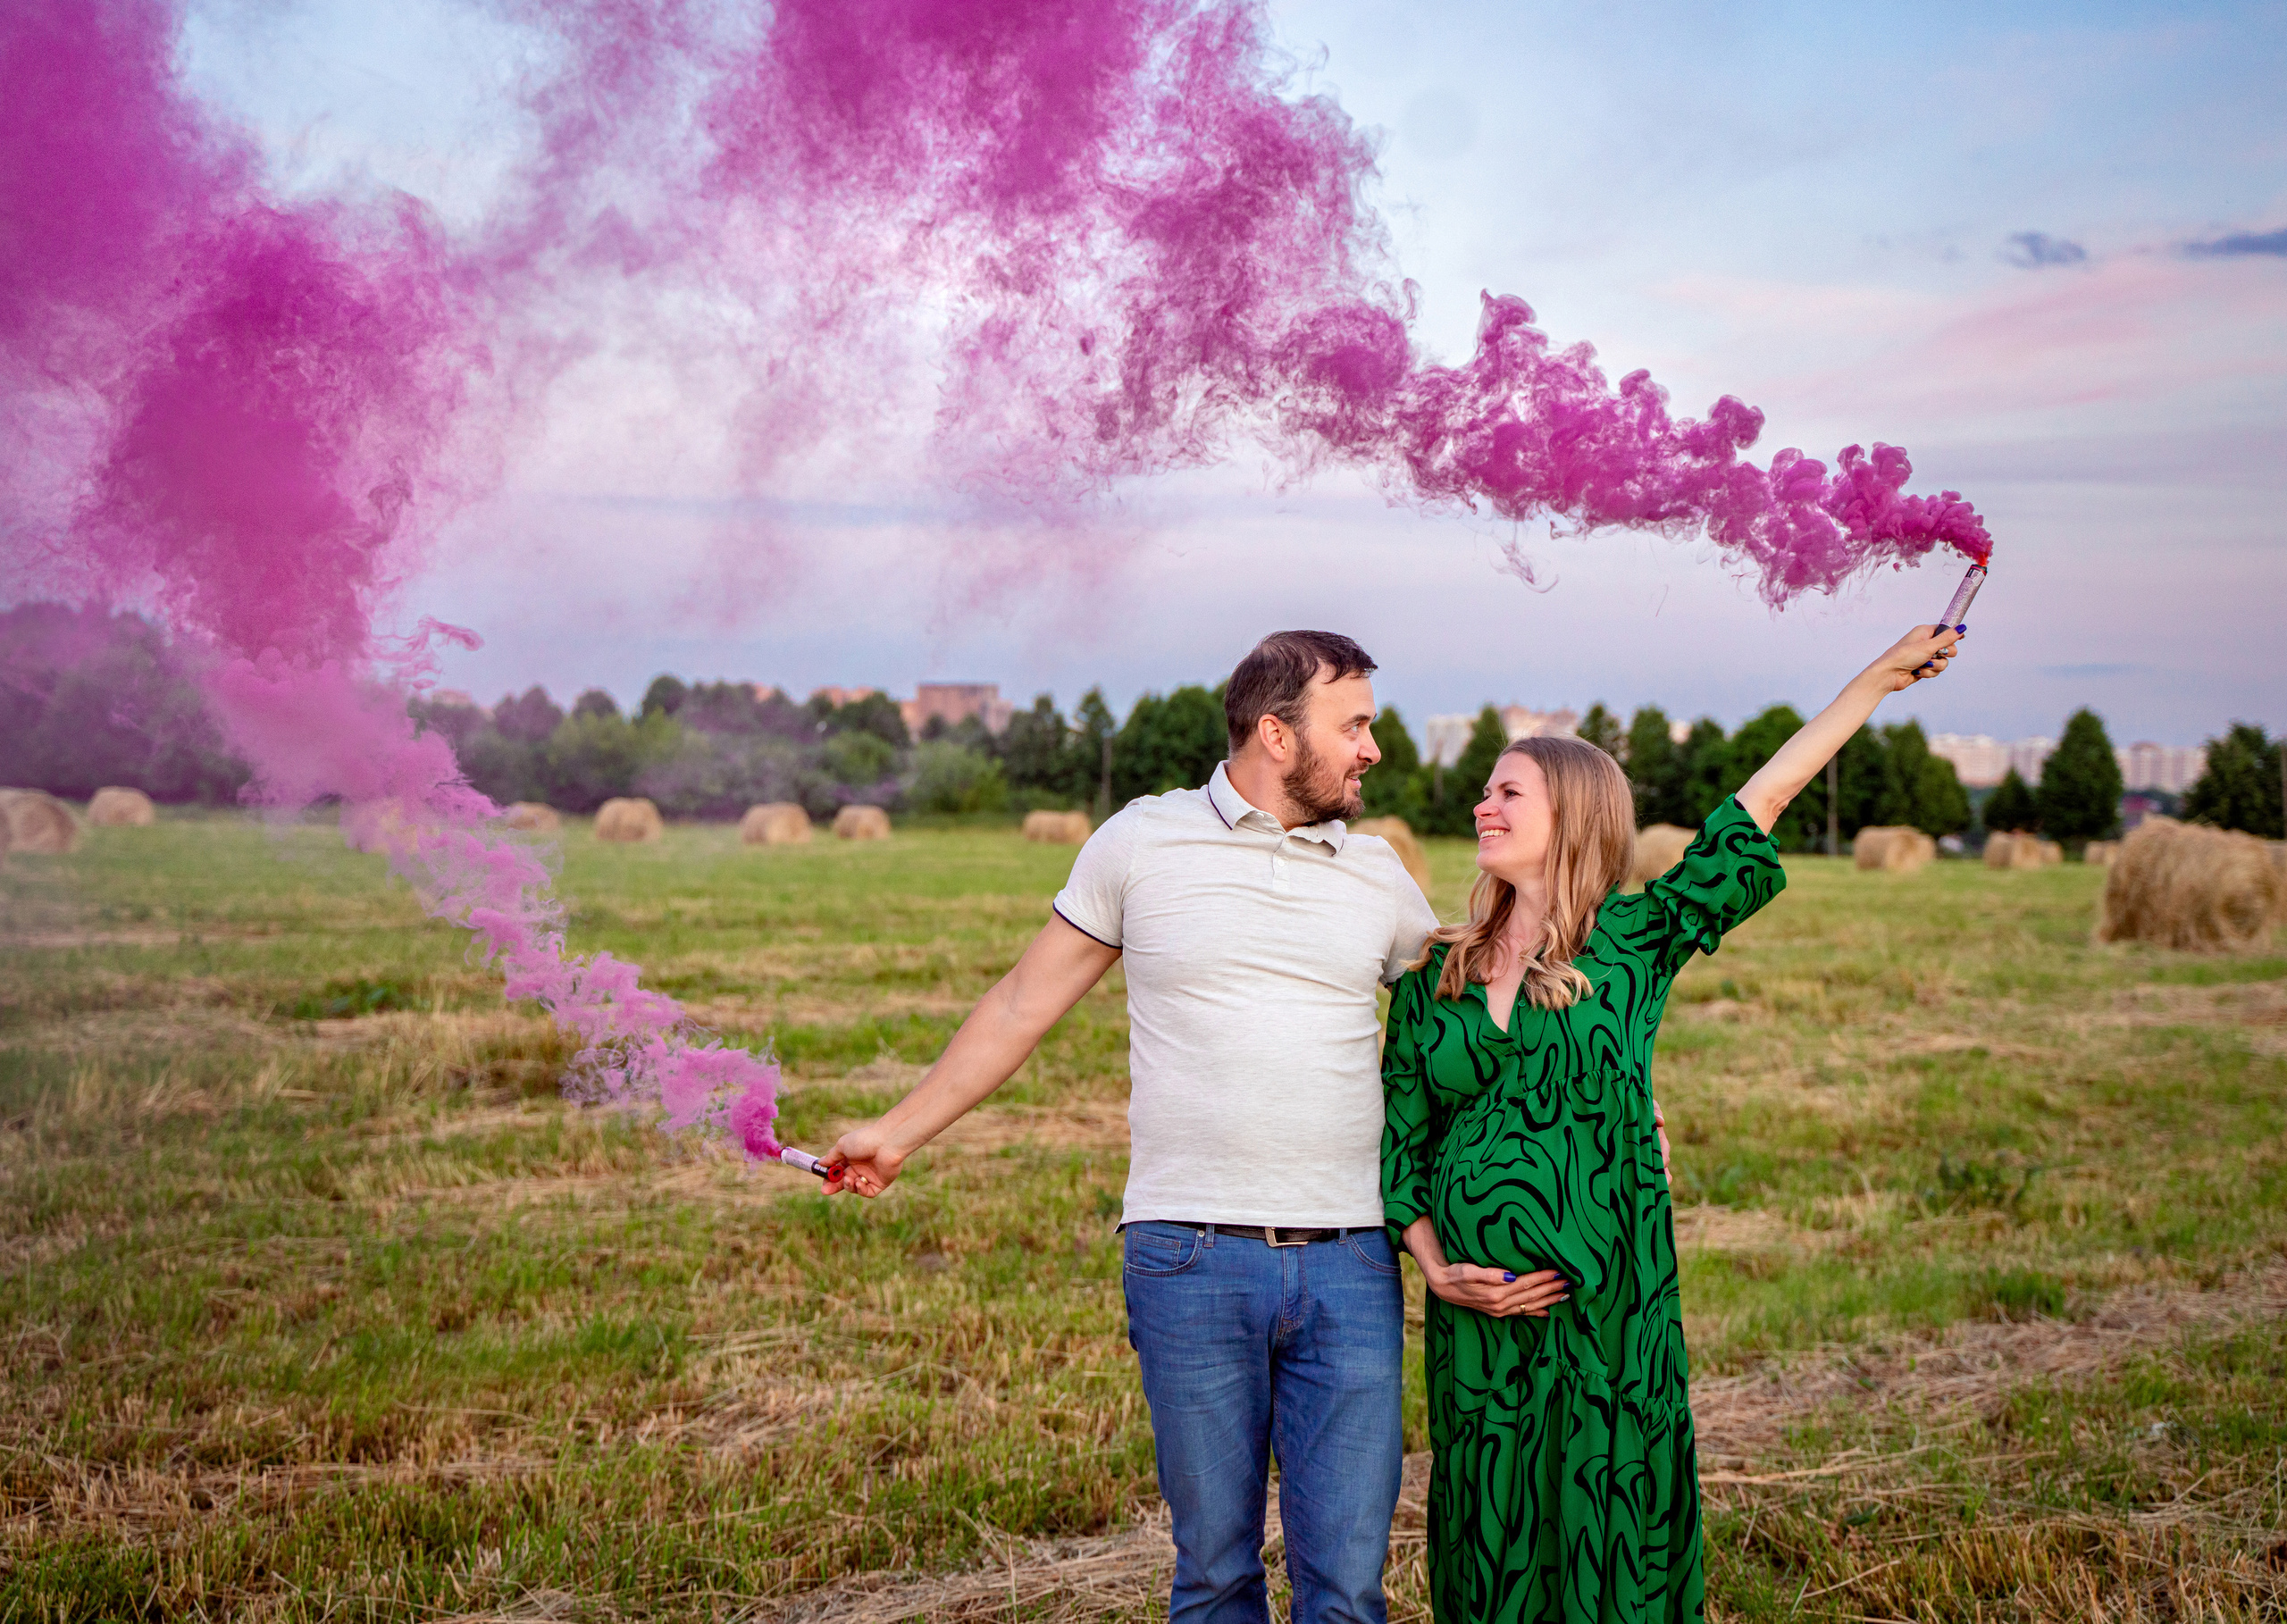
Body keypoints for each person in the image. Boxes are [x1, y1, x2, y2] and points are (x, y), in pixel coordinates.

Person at [825, 631, 1439, 1624]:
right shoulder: (1138, 841)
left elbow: (1479, 1032)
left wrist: (1610, 1111)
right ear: (1277, 735)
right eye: (1354, 726)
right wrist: (897, 1132)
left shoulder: (1380, 878)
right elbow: (1024, 1002)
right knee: (1212, 1578)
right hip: (1186, 1258)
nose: (1372, 748)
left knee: (1347, 1590)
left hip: (1351, 1261)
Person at [1382, 623, 1962, 1623]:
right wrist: (1435, 1269)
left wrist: (1872, 679)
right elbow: (1402, 1146)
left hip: (1610, 1314)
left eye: (1507, 790)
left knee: (1612, 1526)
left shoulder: (1636, 943)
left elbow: (1759, 806)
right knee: (1491, 1534)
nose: (1483, 803)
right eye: (1485, 788)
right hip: (1479, 1324)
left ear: (1574, 815)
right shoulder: (1433, 974)